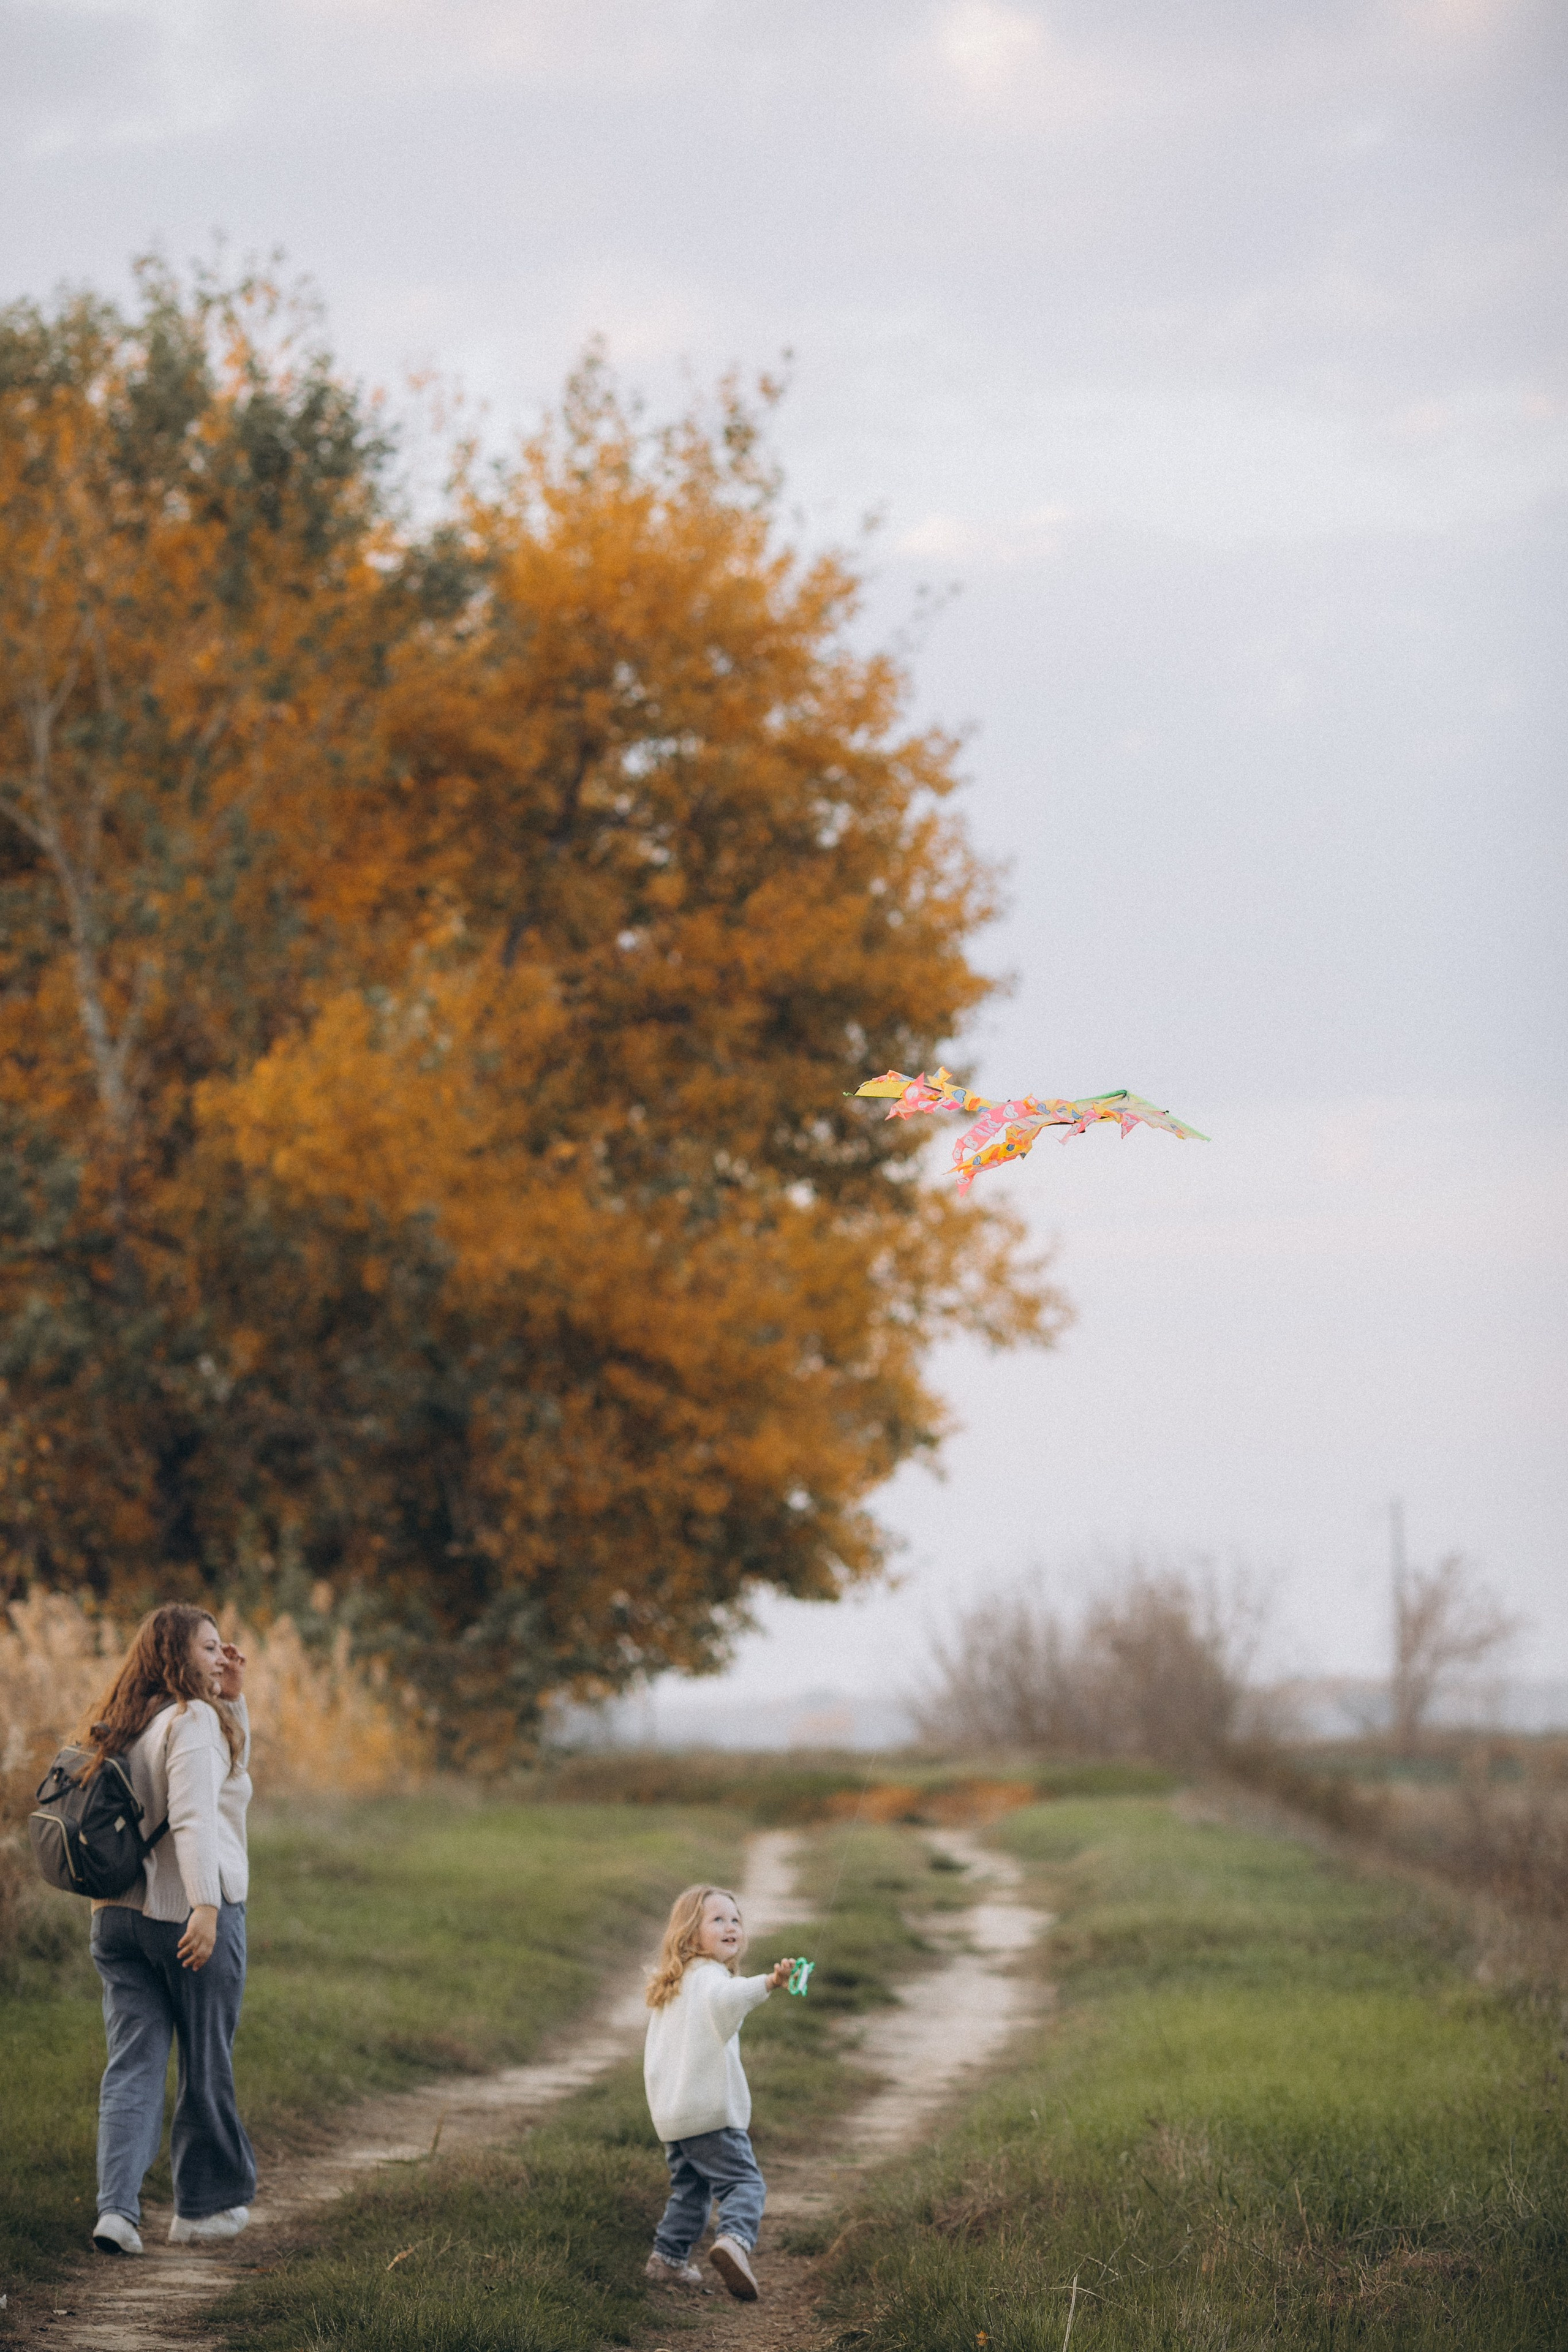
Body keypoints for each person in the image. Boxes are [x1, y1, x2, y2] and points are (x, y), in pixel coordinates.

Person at [80, 1604, 256, 2257]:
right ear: (177, 1658)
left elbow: (221, 1783)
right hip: (184, 1916)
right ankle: (203, 2210)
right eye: (209, 1648)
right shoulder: (193, 1720)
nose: (222, 1656)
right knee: (207, 2056)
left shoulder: (126, 1723)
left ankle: (117, 2212)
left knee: (133, 2065)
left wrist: (233, 1702)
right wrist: (205, 1907)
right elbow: (196, 1817)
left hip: (114, 1920)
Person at [641, 1882, 797, 2302]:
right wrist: (770, 1982)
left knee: (691, 2190)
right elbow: (731, 1998)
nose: (731, 1926)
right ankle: (734, 2241)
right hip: (710, 2113)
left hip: (674, 2116)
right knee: (744, 2184)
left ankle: (667, 2262)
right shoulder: (711, 1980)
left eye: (736, 1919)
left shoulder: (673, 1985)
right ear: (691, 1935)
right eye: (718, 1919)